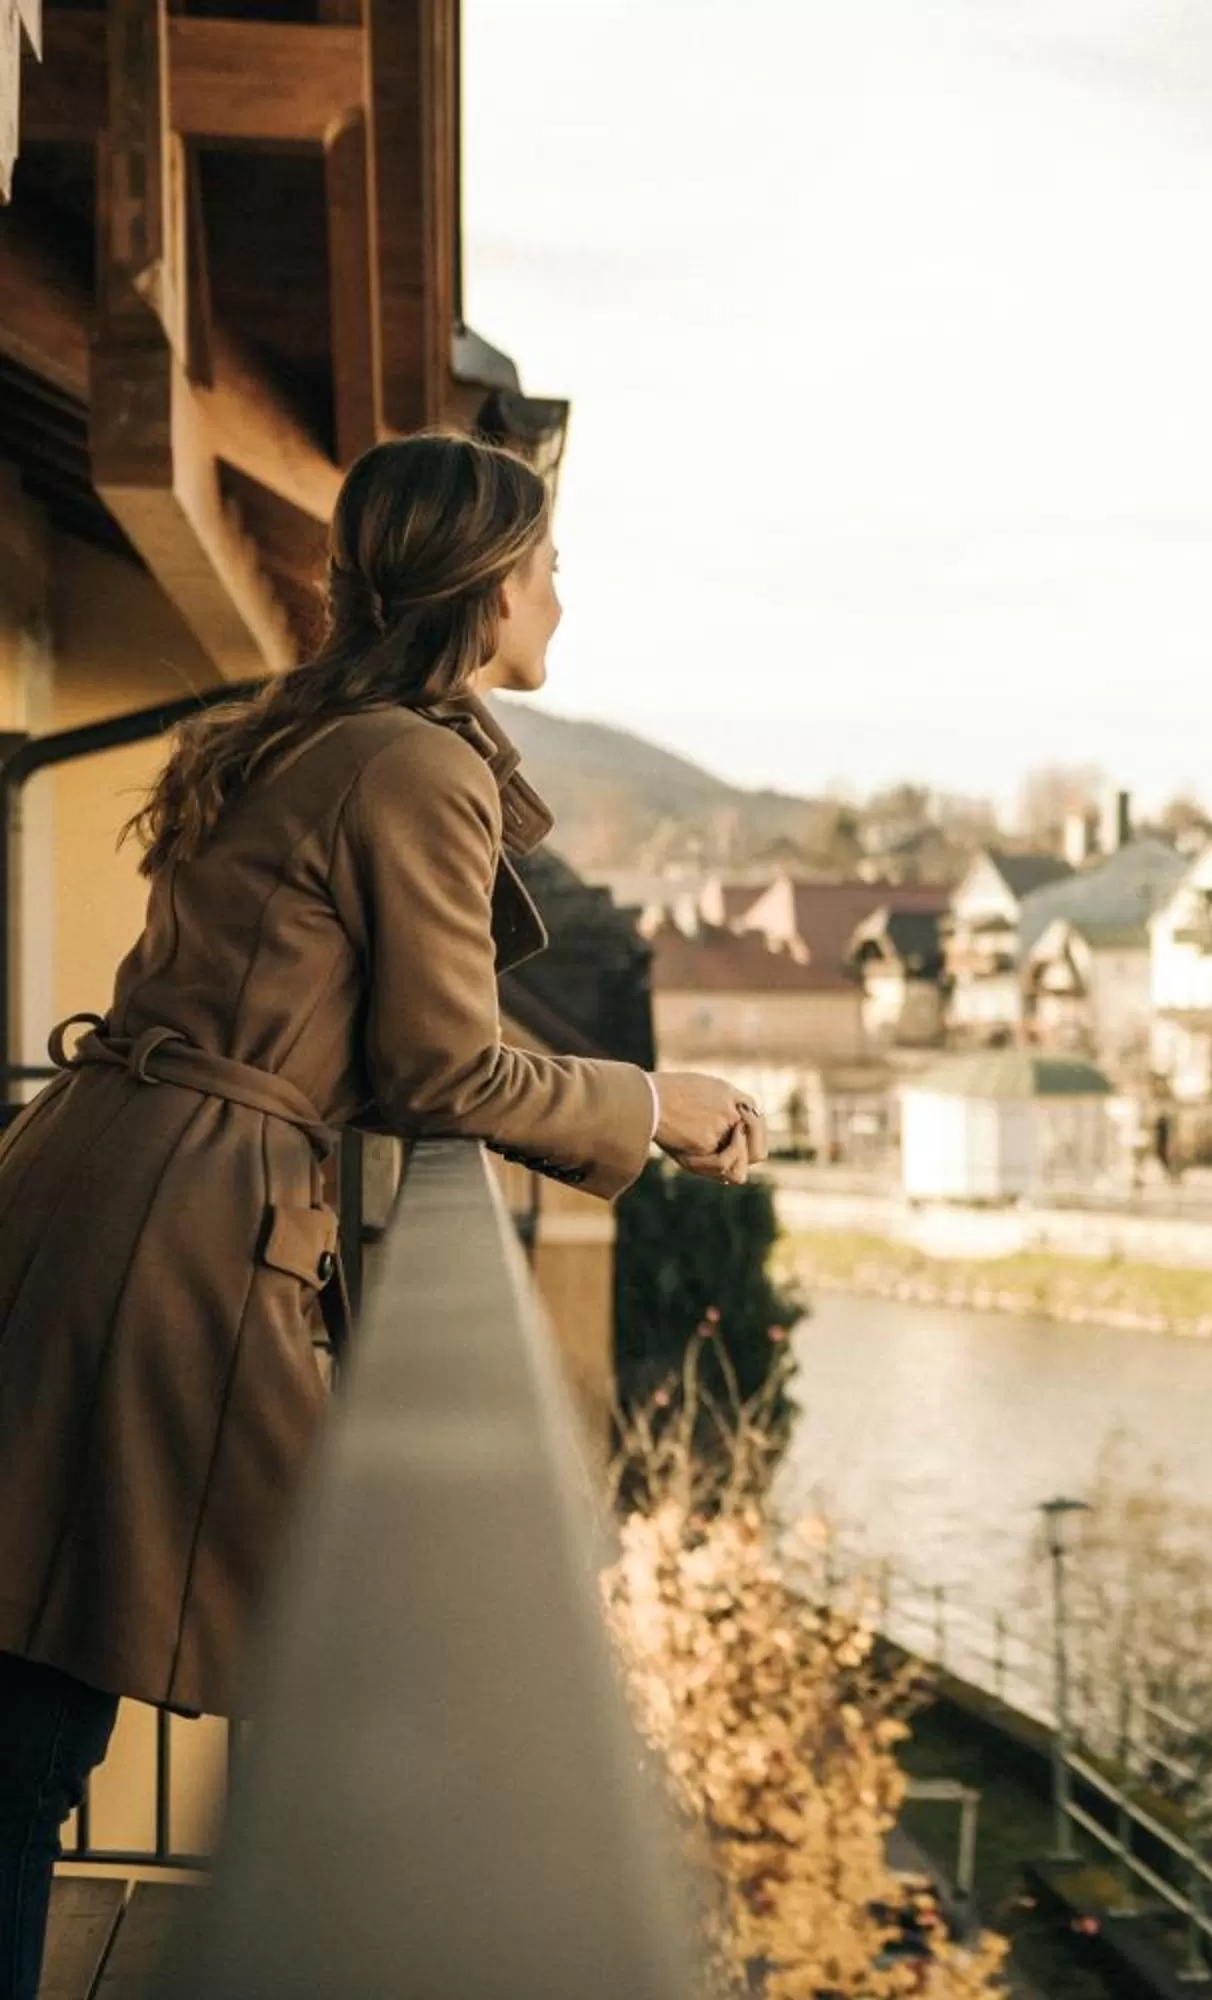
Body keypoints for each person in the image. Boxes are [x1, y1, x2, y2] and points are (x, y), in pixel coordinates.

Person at [0, 433, 766, 1999]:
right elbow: (442, 1067)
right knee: (333, 1640)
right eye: (548, 568)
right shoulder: (416, 764)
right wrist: (652, 1101)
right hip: (178, 1235)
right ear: (487, 590)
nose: (563, 598)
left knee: (36, 1650)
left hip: (97, 1183)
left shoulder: (315, 733)